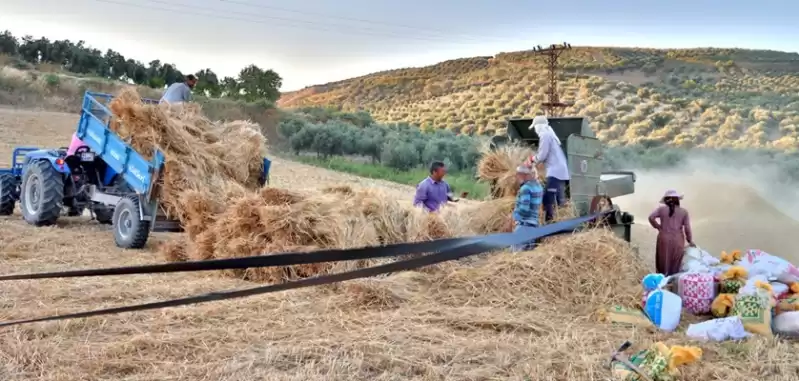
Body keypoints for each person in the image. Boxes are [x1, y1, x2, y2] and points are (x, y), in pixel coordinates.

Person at [524, 115, 570, 222]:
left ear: (539, 126)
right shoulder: (550, 134)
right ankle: (561, 220)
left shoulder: (545, 135)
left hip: (555, 172)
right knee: (559, 200)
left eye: (535, 127)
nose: (535, 130)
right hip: (560, 171)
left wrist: (532, 159)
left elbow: (542, 155)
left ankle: (549, 223)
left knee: (547, 198)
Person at [648, 190, 695, 276]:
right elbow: (687, 228)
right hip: (678, 240)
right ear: (677, 200)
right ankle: (673, 283)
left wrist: (658, 227)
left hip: (663, 238)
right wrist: (690, 240)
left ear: (666, 200)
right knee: (676, 263)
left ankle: (662, 281)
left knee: (663, 261)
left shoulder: (661, 210)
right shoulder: (684, 212)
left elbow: (651, 217)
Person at [511, 165, 544, 252]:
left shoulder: (525, 188)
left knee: (515, 258)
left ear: (524, 175)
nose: (517, 177)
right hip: (533, 227)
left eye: (518, 174)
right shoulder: (538, 187)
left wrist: (513, 216)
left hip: (524, 228)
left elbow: (524, 209)